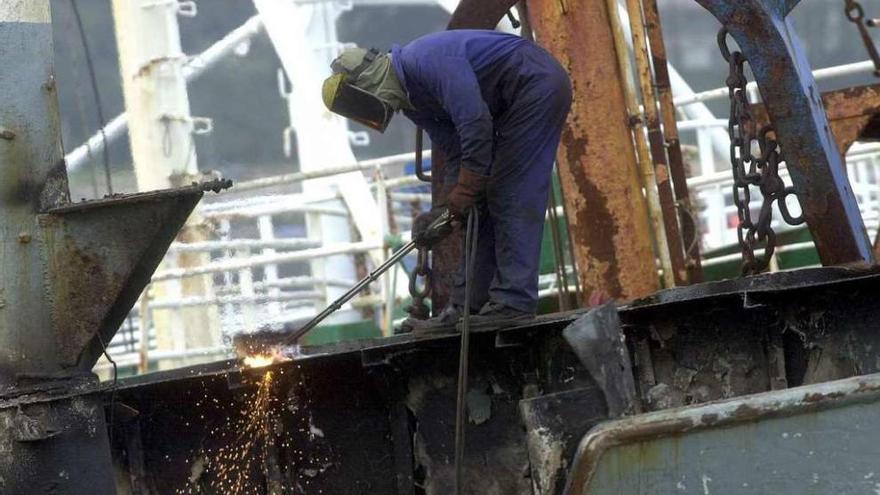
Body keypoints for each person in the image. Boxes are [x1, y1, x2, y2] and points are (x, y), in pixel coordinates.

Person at [322, 29, 572, 332]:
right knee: (477, 206)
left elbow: (475, 125)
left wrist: (462, 193)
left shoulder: (427, 62)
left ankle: (514, 302)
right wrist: (443, 211)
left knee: (508, 192)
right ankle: (466, 305)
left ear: (367, 85)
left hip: (533, 85)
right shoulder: (412, 100)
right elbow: (455, 152)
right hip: (506, 103)